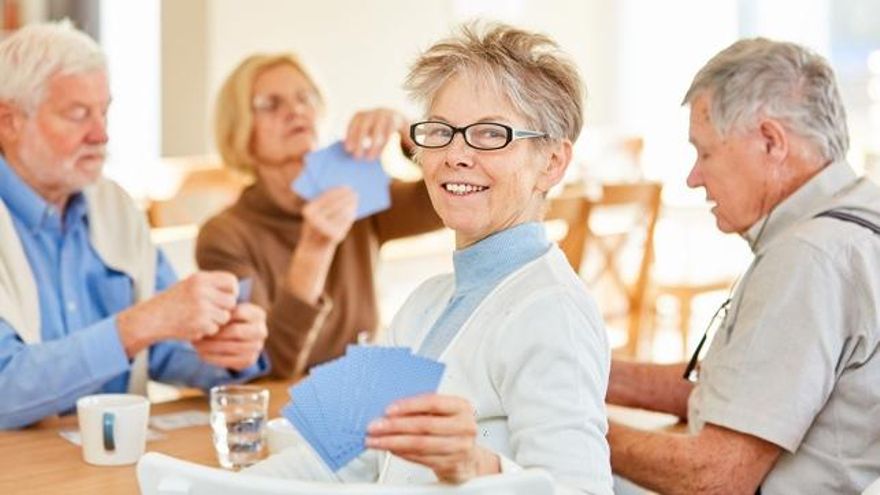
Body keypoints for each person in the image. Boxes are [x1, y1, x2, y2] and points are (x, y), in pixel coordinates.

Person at [244, 22, 613, 495]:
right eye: (440, 132)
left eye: (489, 134)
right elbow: (331, 447)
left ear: (553, 163)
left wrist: (475, 466)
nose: (455, 154)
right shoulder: (424, 304)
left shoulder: (551, 311)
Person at [606, 38, 880, 494]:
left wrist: (575, 425)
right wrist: (586, 372)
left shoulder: (810, 258)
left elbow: (716, 477)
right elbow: (744, 390)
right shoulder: (860, 213)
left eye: (705, 152)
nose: (693, 177)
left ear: (771, 142)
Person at [0, 21, 269, 430]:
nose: (101, 133)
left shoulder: (114, 206)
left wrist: (224, 352)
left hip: (115, 463)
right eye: (77, 115)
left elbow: (161, 348)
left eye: (104, 111)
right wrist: (139, 325)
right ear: (9, 122)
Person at [195, 53, 442, 379]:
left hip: (362, 392)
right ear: (238, 129)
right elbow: (269, 365)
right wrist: (314, 248)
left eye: (305, 98)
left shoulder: (353, 192)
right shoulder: (224, 236)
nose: (296, 111)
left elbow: (445, 202)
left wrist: (410, 133)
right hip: (283, 410)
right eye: (271, 104)